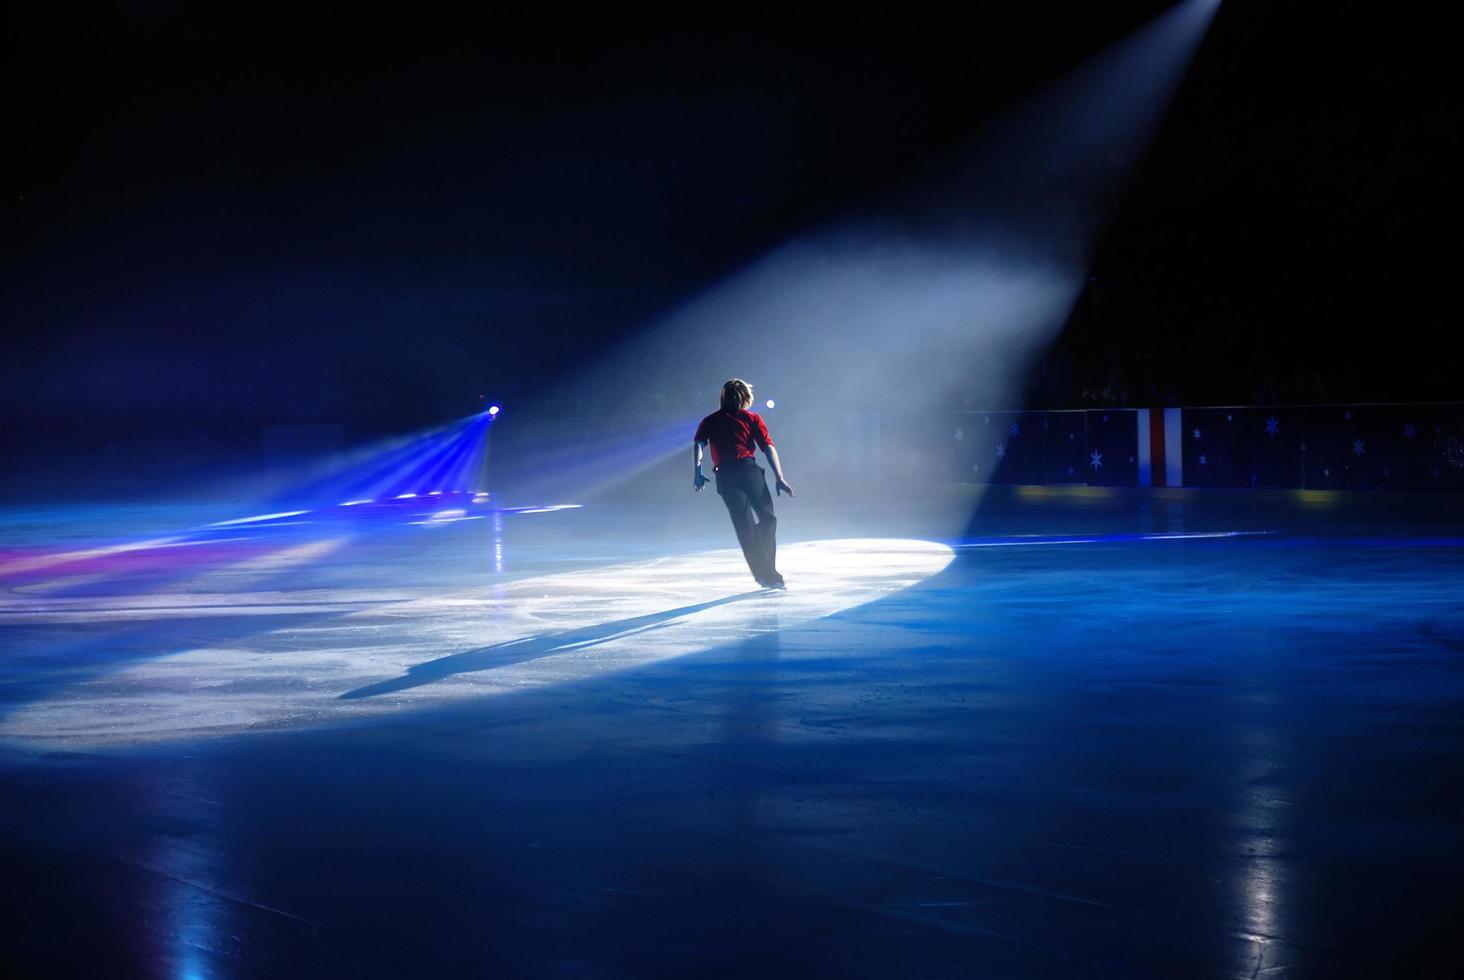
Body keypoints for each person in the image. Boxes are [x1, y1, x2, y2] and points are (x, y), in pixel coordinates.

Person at [693, 379, 794, 589]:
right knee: (766, 519)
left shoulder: (713, 420)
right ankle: (768, 573)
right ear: (746, 396)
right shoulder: (750, 418)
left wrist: (697, 470)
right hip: (747, 471)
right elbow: (768, 447)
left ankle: (764, 574)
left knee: (746, 526)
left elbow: (699, 445)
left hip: (727, 474)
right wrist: (779, 476)